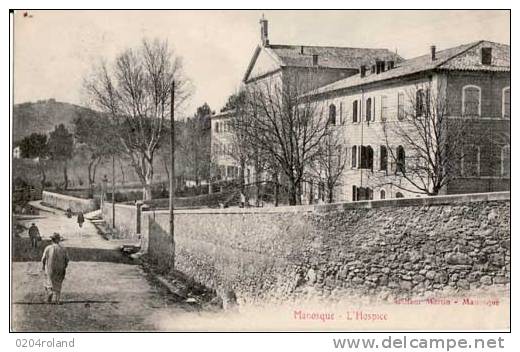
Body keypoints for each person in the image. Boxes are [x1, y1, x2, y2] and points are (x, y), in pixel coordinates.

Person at [41, 233, 69, 304]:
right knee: (58, 283)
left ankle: (50, 292)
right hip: (60, 267)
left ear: (52, 240)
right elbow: (67, 259)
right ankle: (57, 300)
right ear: (58, 240)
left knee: (48, 281)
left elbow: (43, 258)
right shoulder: (63, 248)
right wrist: (64, 266)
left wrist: (43, 266)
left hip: (50, 267)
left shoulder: (48, 248)